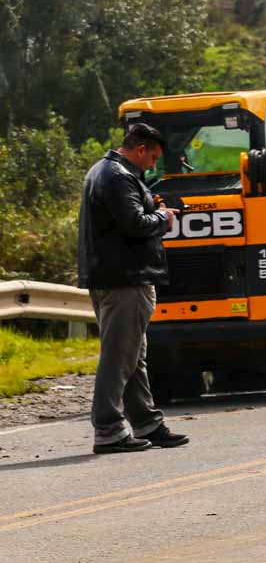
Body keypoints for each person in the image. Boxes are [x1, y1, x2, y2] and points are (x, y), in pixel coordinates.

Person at [77, 122, 191, 455]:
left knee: (133, 356)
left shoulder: (103, 171)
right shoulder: (118, 176)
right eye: (153, 158)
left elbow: (124, 218)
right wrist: (163, 218)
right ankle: (109, 430)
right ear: (140, 150)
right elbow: (135, 224)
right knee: (119, 358)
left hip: (113, 277)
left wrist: (152, 207)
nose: (152, 165)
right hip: (124, 279)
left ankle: (146, 423)